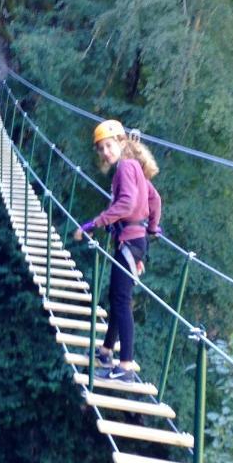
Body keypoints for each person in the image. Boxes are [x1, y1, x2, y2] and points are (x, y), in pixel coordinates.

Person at [73, 120, 161, 383]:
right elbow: (154, 200)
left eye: (109, 145)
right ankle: (106, 351)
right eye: (101, 149)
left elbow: (125, 205)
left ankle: (125, 367)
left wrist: (93, 224)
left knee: (121, 302)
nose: (105, 152)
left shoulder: (125, 167)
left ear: (122, 142)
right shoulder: (136, 169)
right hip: (134, 243)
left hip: (129, 243)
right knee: (117, 297)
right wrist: (153, 228)